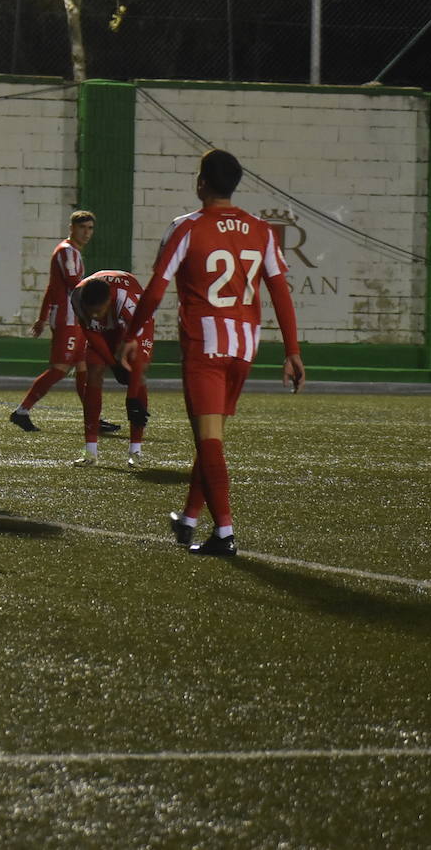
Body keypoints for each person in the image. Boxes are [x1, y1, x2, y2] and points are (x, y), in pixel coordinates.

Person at [118, 148, 305, 557]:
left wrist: (133, 331)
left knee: (208, 441)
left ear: (201, 182)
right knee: (212, 438)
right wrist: (292, 350)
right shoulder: (261, 230)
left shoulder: (187, 228)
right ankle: (187, 519)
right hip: (244, 347)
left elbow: (156, 287)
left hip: (205, 344)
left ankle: (224, 533)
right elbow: (279, 292)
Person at [10, 211, 118, 434]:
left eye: (90, 228)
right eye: (82, 228)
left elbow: (52, 287)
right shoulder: (67, 252)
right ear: (71, 228)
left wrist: (42, 318)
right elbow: (72, 282)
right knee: (60, 368)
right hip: (67, 318)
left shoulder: (72, 252)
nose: (86, 232)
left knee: (83, 368)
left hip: (74, 318)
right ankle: (22, 411)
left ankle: (93, 418)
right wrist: (98, 289)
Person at [67, 270, 154, 469]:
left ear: (109, 300)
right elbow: (91, 333)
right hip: (105, 330)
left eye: (100, 311)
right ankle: (90, 451)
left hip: (130, 327)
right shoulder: (78, 299)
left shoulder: (130, 303)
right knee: (94, 371)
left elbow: (140, 356)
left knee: (136, 373)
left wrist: (132, 396)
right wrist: (113, 364)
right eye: (92, 312)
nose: (96, 316)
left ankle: (136, 450)